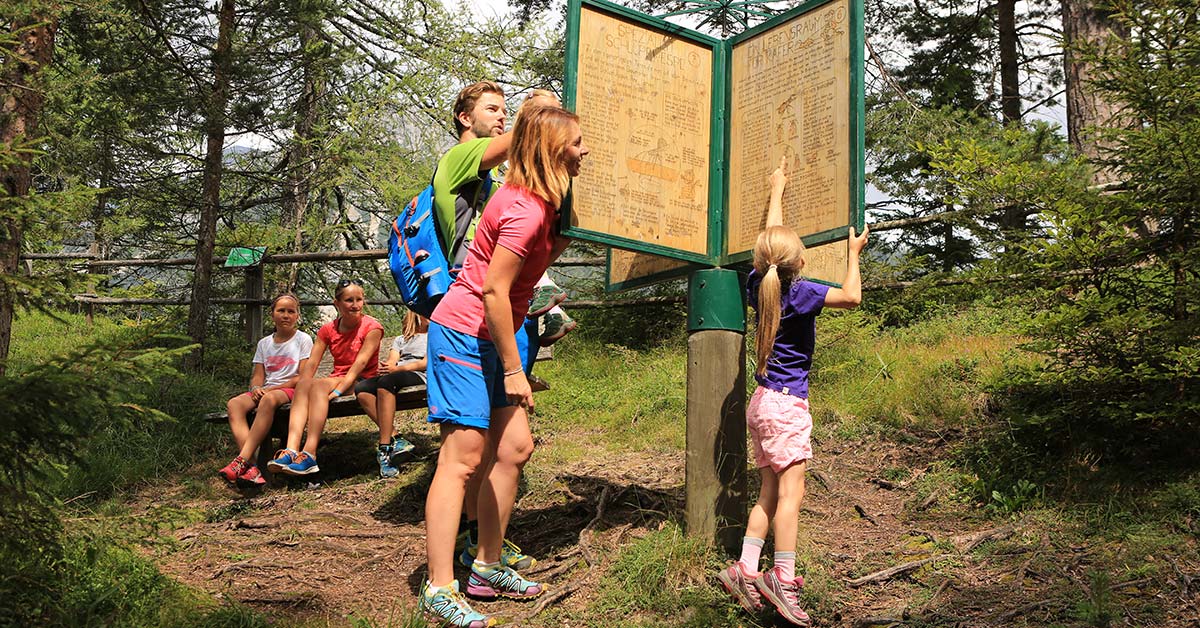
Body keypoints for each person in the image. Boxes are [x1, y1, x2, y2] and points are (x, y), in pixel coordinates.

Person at [418, 105, 588, 627]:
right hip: (464, 333)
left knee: (514, 447)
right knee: (464, 456)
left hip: (491, 335)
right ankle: (439, 585)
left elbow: (530, 273)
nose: (585, 151)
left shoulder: (543, 205)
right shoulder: (525, 210)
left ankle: (487, 565)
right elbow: (493, 291)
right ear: (553, 149)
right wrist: (516, 370)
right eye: (577, 142)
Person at [715, 157, 869, 626]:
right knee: (790, 497)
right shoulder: (800, 293)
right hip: (786, 406)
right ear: (799, 263)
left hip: (762, 403)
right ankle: (782, 578)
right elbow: (853, 297)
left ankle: (744, 567)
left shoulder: (755, 285)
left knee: (768, 490)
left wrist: (776, 188)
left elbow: (772, 243)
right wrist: (853, 254)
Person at [267, 279, 384, 476]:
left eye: (359, 300)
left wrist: (338, 390)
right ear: (336, 304)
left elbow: (359, 365)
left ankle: (310, 453)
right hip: (338, 378)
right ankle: (291, 450)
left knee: (319, 386)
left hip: (362, 380)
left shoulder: (372, 327)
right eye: (349, 300)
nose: (355, 305)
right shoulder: (328, 330)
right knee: (305, 383)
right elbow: (312, 363)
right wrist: (303, 385)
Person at [218, 293, 313, 487]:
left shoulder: (303, 340)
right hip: (267, 390)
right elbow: (258, 375)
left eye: (291, 311)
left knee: (268, 400)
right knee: (234, 404)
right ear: (272, 314)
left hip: (291, 391)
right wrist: (256, 387)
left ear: (297, 316)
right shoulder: (264, 343)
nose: (286, 315)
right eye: (281, 311)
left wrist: (271, 390)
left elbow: (303, 377)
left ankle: (241, 460)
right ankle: (252, 467)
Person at [353, 310, 428, 478]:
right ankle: (396, 438)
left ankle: (385, 447)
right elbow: (392, 360)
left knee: (386, 382)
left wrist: (397, 369)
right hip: (397, 375)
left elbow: (425, 363)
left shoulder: (435, 335)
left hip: (420, 376)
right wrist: (387, 367)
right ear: (415, 315)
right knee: (362, 388)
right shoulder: (400, 340)